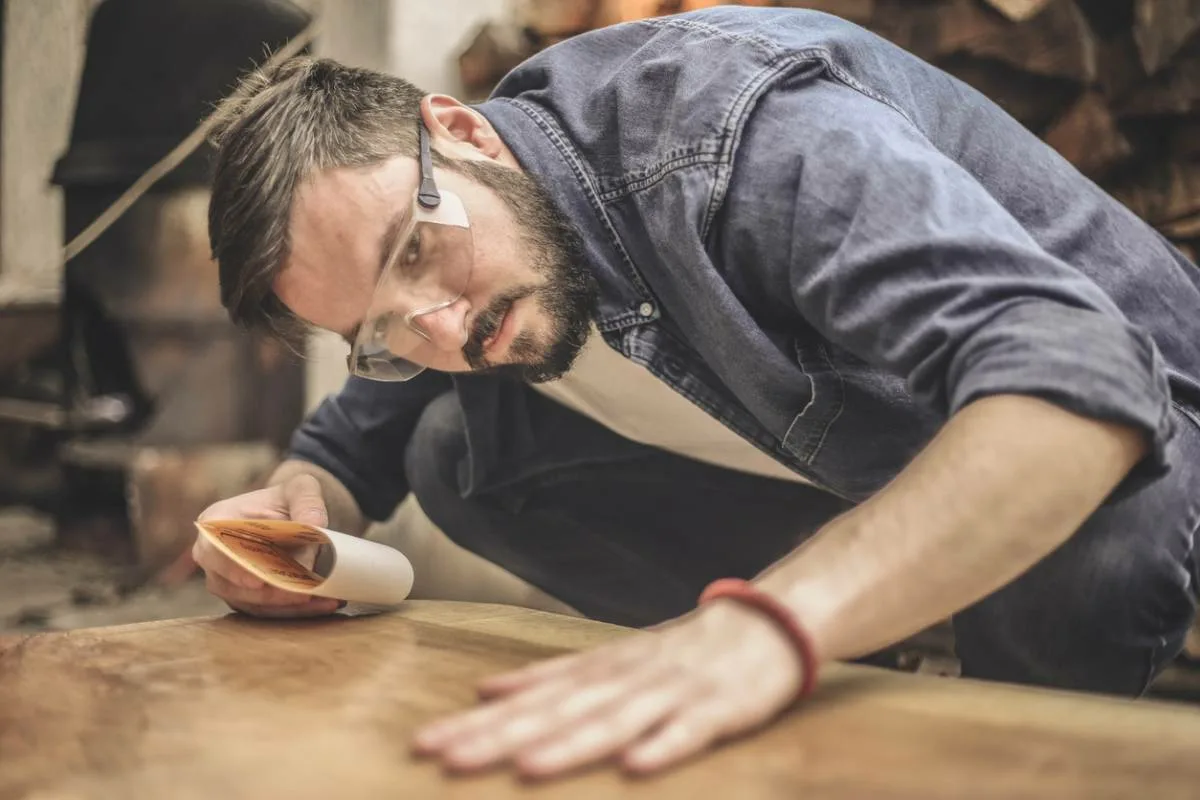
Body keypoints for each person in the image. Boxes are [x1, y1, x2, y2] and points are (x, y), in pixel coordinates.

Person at [195, 5, 1200, 779]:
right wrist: (303, 501)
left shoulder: (737, 135)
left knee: (1100, 524)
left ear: (461, 130)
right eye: (376, 329)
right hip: (890, 463)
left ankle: (973, 740)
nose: (441, 327)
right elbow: (361, 429)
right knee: (455, 447)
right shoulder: (473, 222)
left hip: (1147, 422)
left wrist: (772, 622)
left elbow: (1085, 379)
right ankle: (887, 645)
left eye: (417, 249)